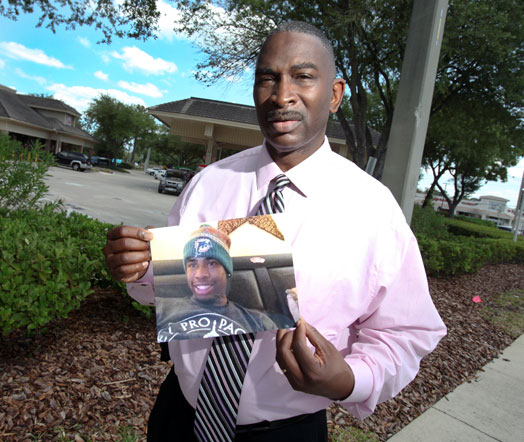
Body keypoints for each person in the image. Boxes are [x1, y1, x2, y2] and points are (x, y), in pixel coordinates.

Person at [103, 21, 446, 441]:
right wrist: (140, 268)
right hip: (179, 417)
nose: (282, 95)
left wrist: (351, 381)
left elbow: (406, 332)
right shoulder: (209, 183)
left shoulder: (374, 211)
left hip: (287, 432)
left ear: (335, 94)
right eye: (267, 78)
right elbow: (172, 290)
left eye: (303, 76)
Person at [156, 225, 277, 341]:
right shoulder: (161, 308)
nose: (200, 274)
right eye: (192, 265)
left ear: (227, 270)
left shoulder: (259, 322)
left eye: (212, 263)